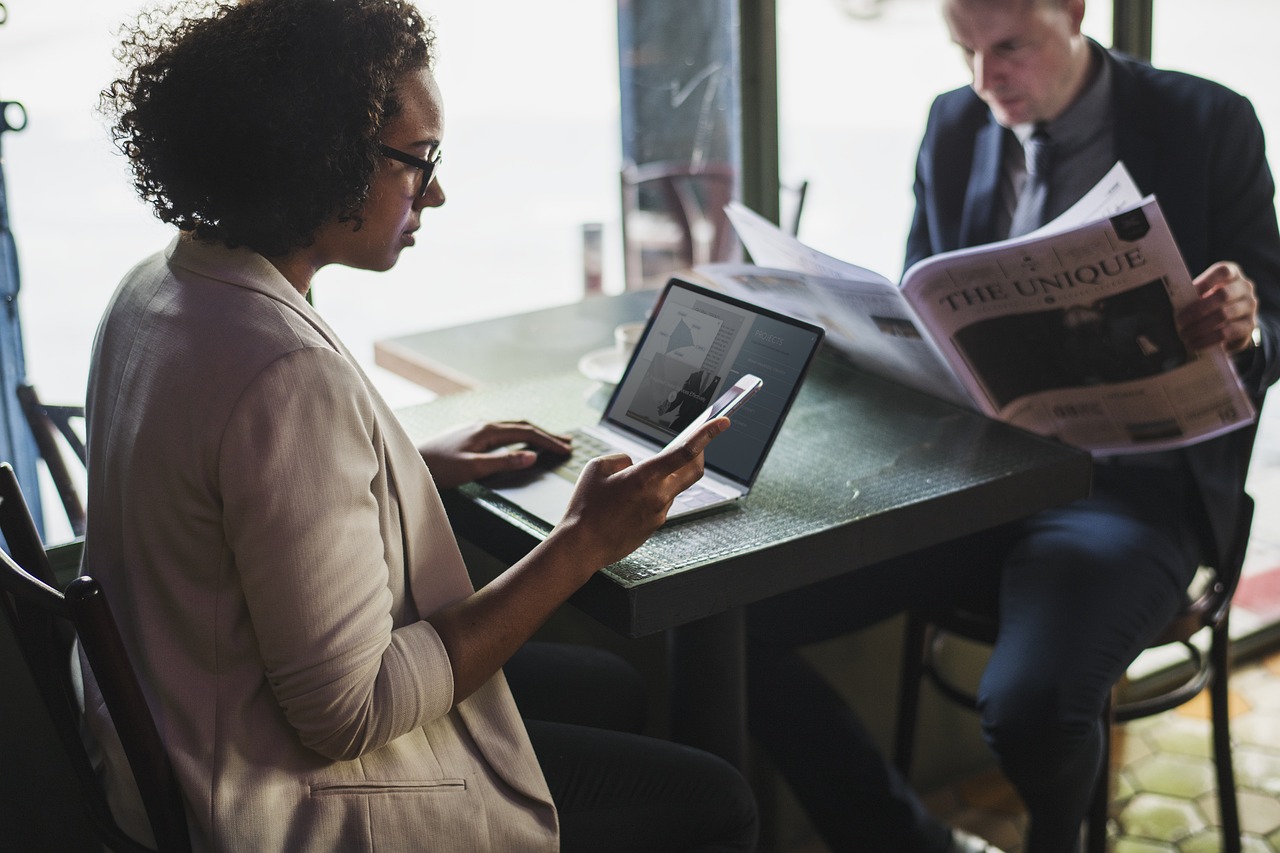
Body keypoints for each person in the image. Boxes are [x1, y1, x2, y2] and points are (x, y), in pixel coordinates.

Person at [81, 1, 759, 850]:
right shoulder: (285, 371)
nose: (434, 191)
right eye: (417, 160)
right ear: (317, 159)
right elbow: (349, 712)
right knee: (716, 801)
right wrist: (582, 542)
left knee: (606, 690)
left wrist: (403, 467)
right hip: (273, 797)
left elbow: (233, 502)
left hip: (178, 731)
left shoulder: (160, 287)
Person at [746, 0, 1279, 851]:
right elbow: (925, 299)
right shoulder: (953, 122)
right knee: (732, 629)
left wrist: (1245, 322)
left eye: (1009, 49)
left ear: (1072, 11)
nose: (984, 79)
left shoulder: (1206, 121)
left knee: (1031, 709)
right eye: (963, 51)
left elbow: (1272, 320)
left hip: (1133, 490)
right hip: (972, 475)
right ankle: (905, 839)